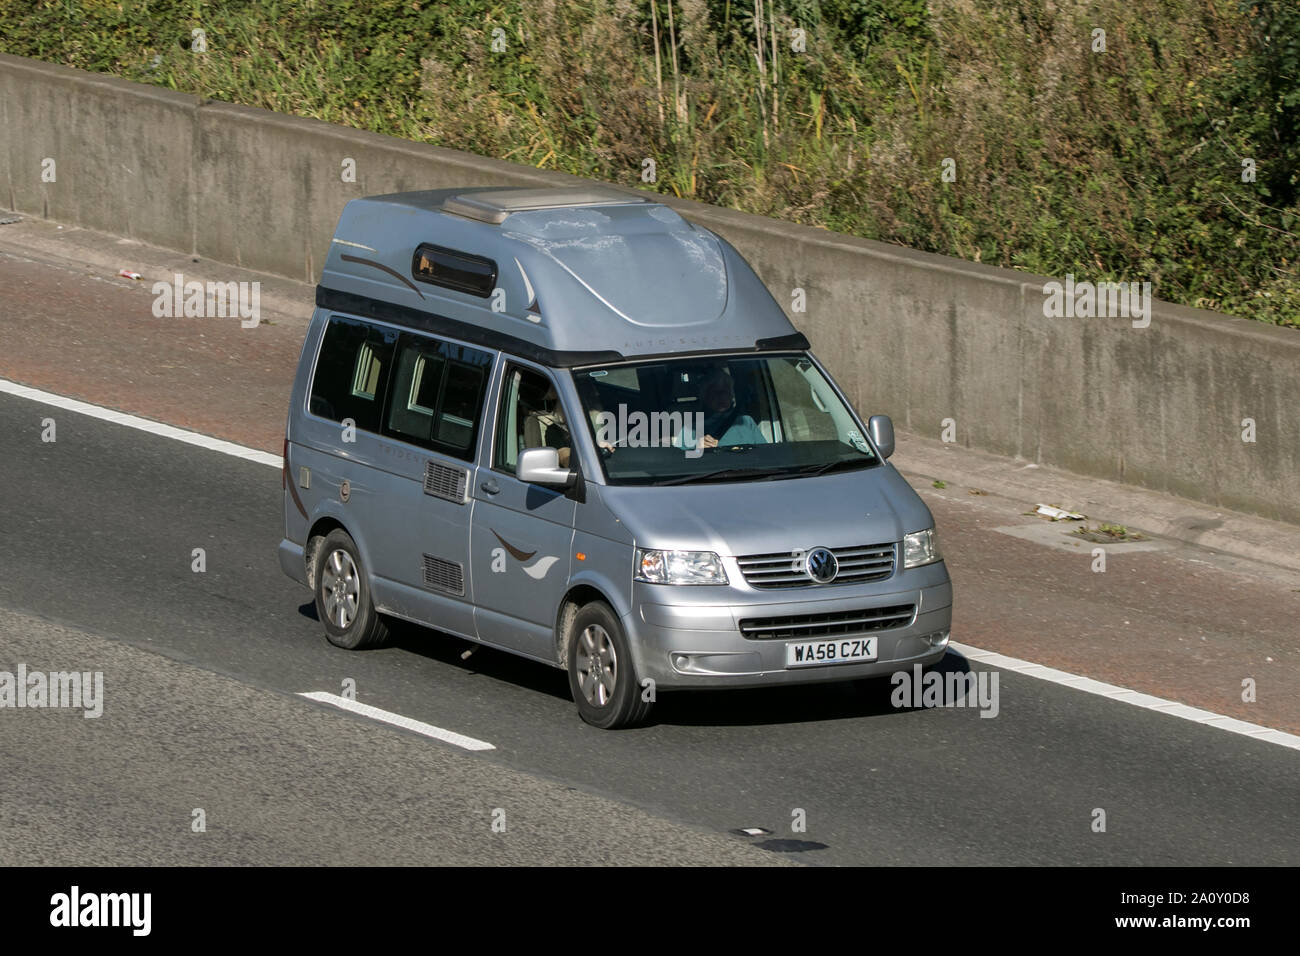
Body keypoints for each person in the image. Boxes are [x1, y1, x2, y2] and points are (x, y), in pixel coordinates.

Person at [680, 367, 765, 450]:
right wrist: (696, 447)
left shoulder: (745, 422)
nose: (722, 397)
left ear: (732, 395)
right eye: (716, 392)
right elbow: (680, 460)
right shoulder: (690, 428)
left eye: (726, 392)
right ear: (705, 396)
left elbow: (764, 453)